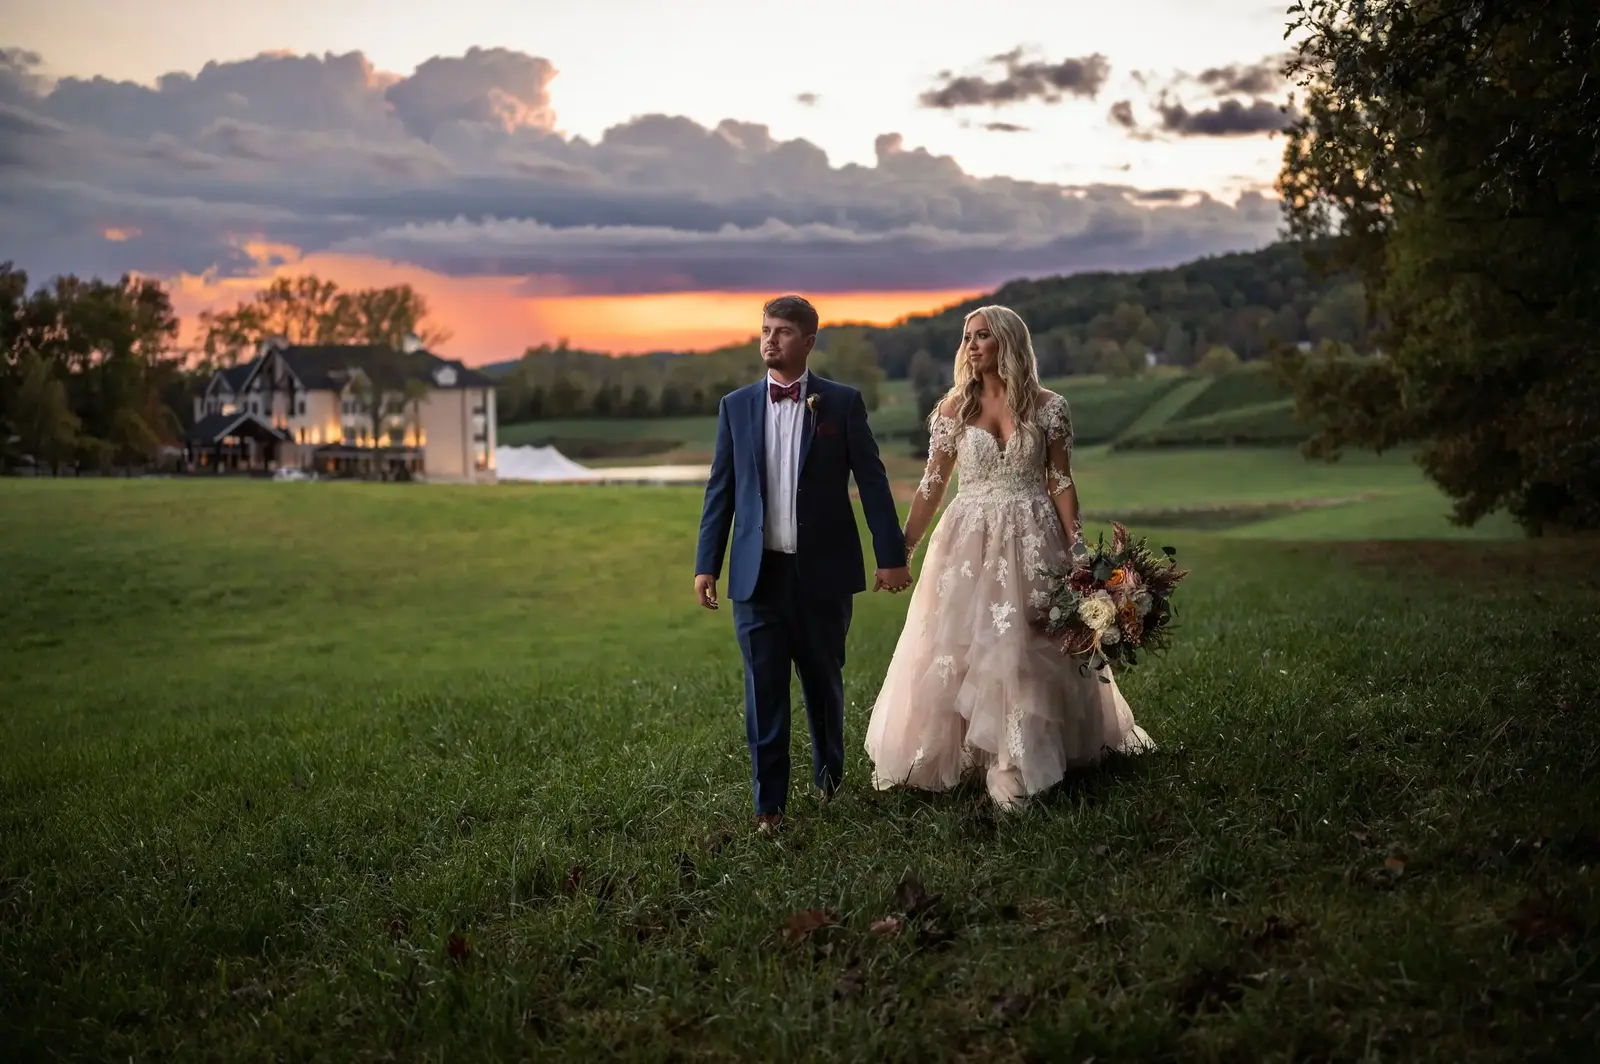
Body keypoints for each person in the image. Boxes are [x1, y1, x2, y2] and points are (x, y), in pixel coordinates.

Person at [864, 304, 1153, 810]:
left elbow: (1060, 481)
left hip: (1034, 538)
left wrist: (1078, 549)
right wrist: (902, 549)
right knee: (961, 645)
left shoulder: (1048, 407)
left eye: (982, 337)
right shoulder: (953, 409)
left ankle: (1017, 763)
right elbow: (931, 487)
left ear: (1009, 343)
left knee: (1028, 643)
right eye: (967, 337)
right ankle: (972, 756)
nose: (971, 346)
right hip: (967, 542)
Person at [694, 295, 912, 834]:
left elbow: (873, 481)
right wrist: (707, 563)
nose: (770, 339)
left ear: (809, 341)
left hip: (823, 576)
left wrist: (889, 557)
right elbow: (720, 490)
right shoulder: (736, 406)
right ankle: (769, 810)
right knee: (763, 693)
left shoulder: (841, 404)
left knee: (823, 686)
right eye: (766, 329)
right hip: (756, 578)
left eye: (784, 331)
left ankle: (829, 784)